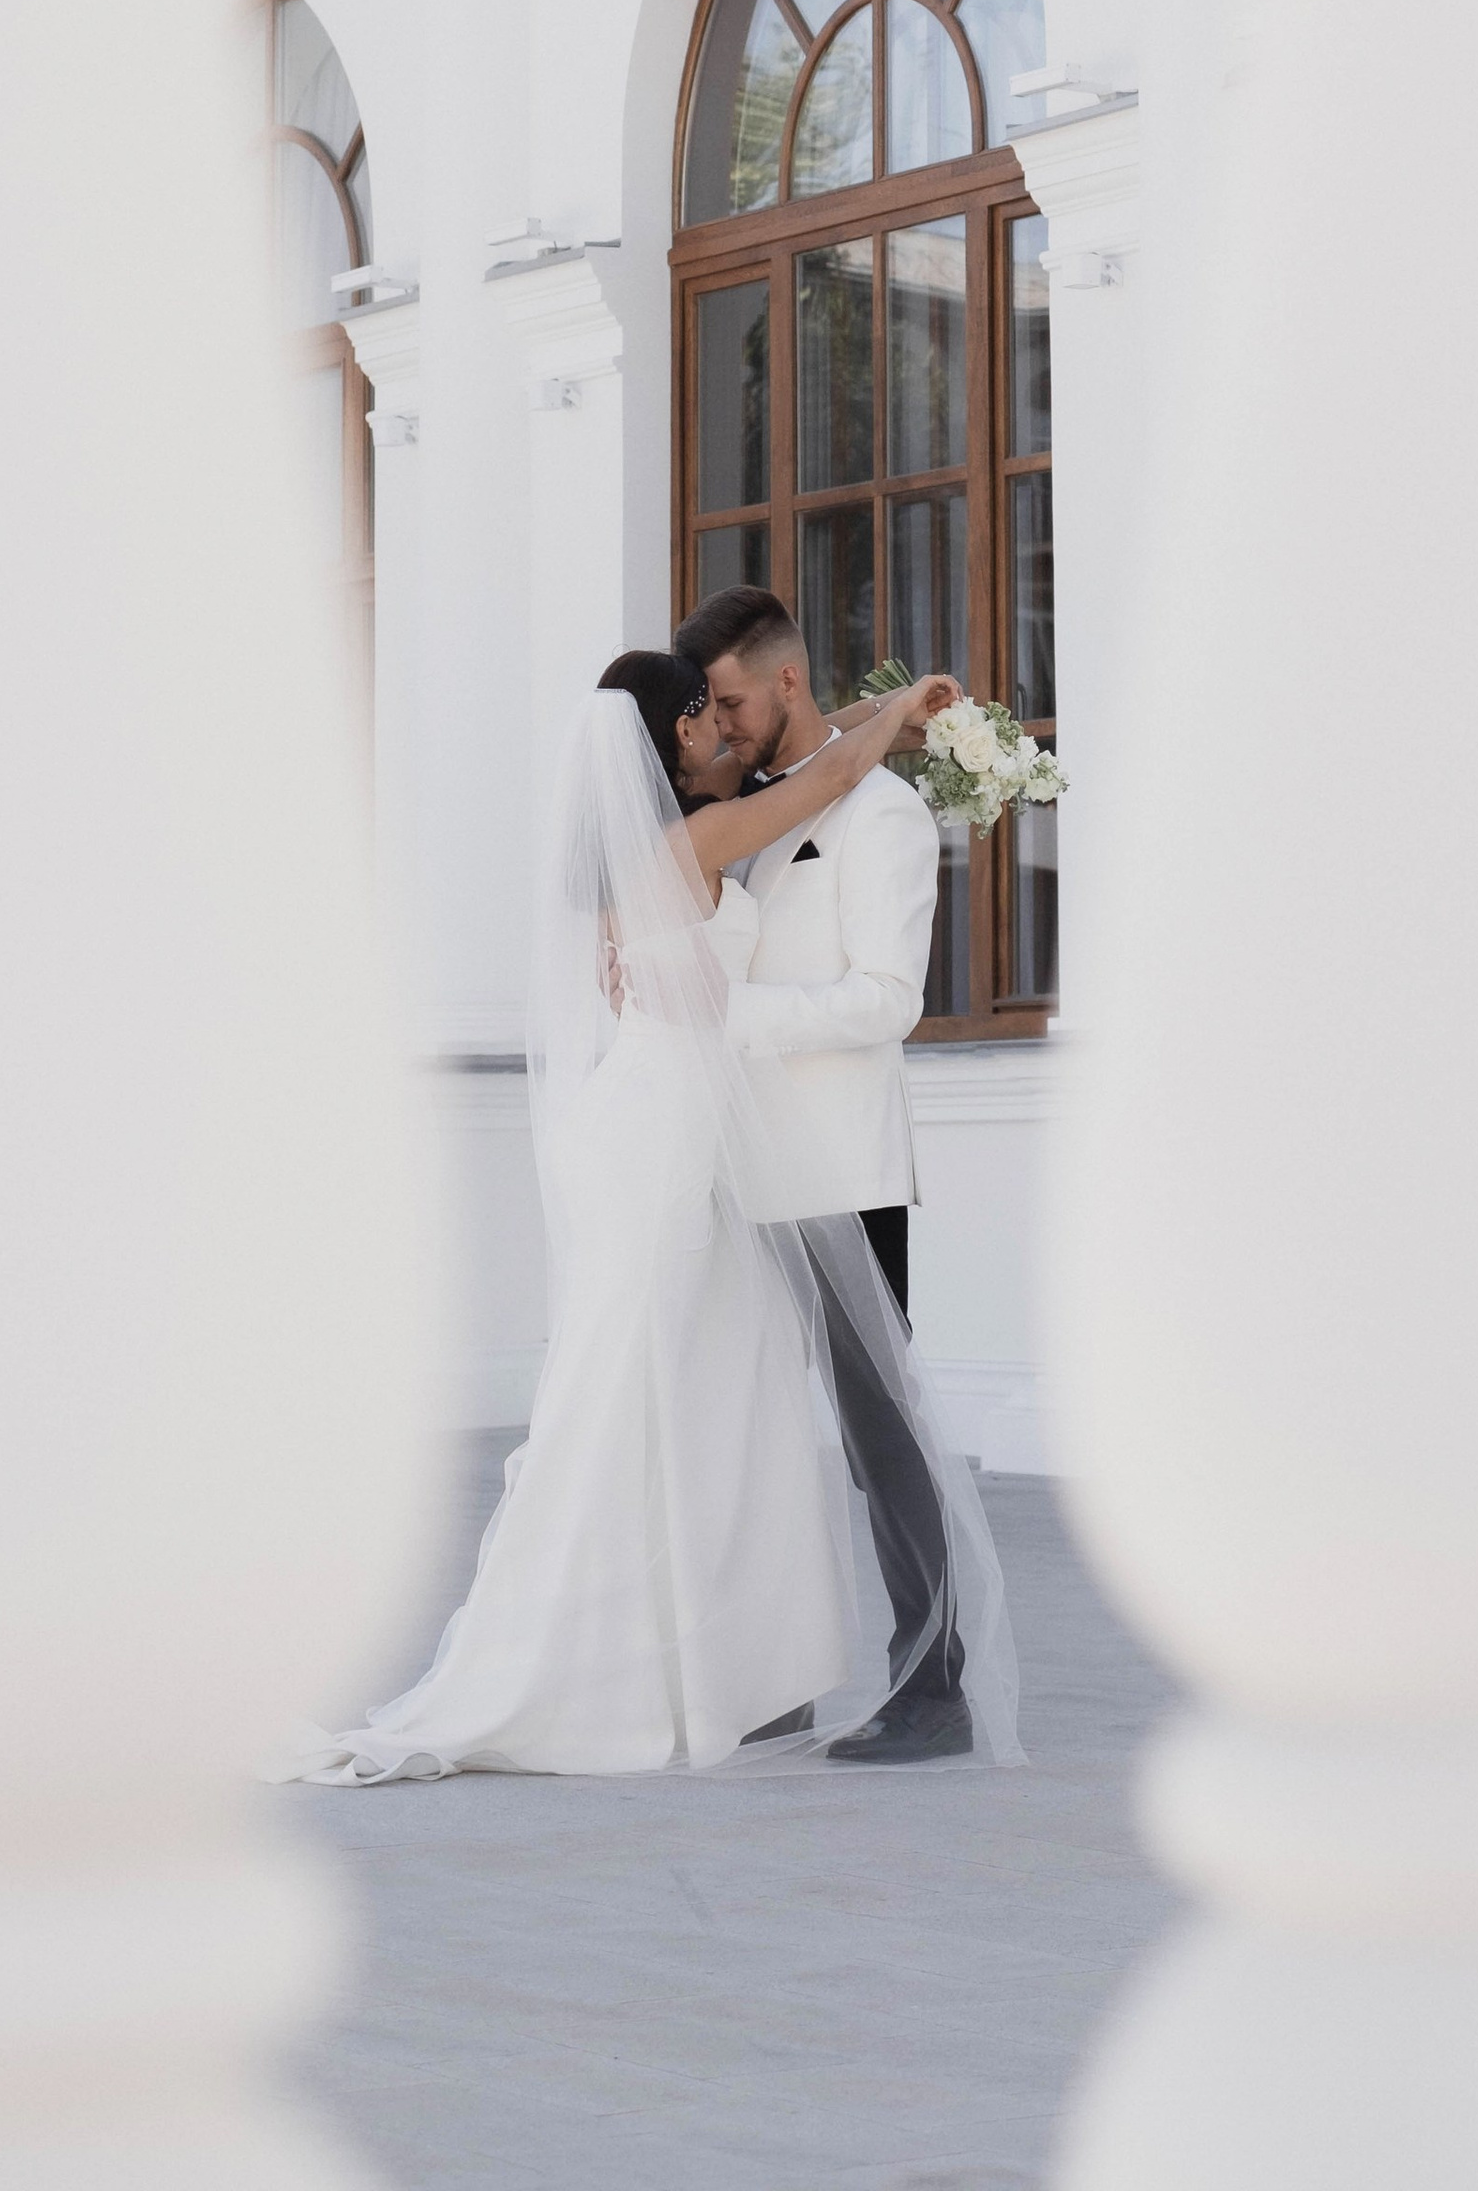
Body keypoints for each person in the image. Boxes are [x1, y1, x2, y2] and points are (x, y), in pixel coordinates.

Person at [274, 654, 1018, 1782]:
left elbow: (815, 755)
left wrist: (893, 703)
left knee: (704, 1392)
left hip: (668, 1134)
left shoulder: (663, 843)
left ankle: (717, 1669)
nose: (725, 730)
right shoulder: (685, 846)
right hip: (662, 1144)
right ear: (672, 733)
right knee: (631, 1397)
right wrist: (900, 713)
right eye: (706, 716)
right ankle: (591, 1663)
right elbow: (824, 780)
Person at [669, 583, 971, 1761]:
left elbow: (888, 1001)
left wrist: (726, 1017)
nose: (725, 722)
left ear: (784, 682)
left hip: (843, 1175)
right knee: (757, 1435)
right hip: (748, 1173)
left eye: (734, 699)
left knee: (878, 1438)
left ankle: (934, 1687)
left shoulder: (884, 816)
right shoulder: (753, 804)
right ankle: (782, 1676)